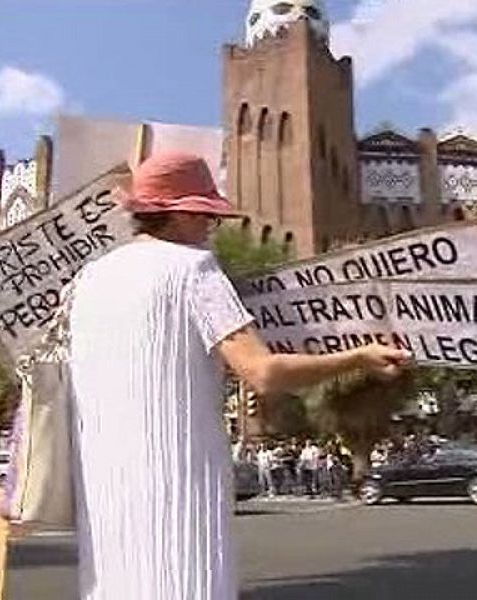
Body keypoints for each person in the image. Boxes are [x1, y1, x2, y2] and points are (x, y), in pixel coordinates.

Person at [68, 152, 410, 600]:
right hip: (179, 487)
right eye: (208, 217)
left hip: (104, 491)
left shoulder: (89, 279)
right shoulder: (194, 270)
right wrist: (359, 358)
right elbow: (263, 372)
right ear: (184, 213)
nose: (212, 228)